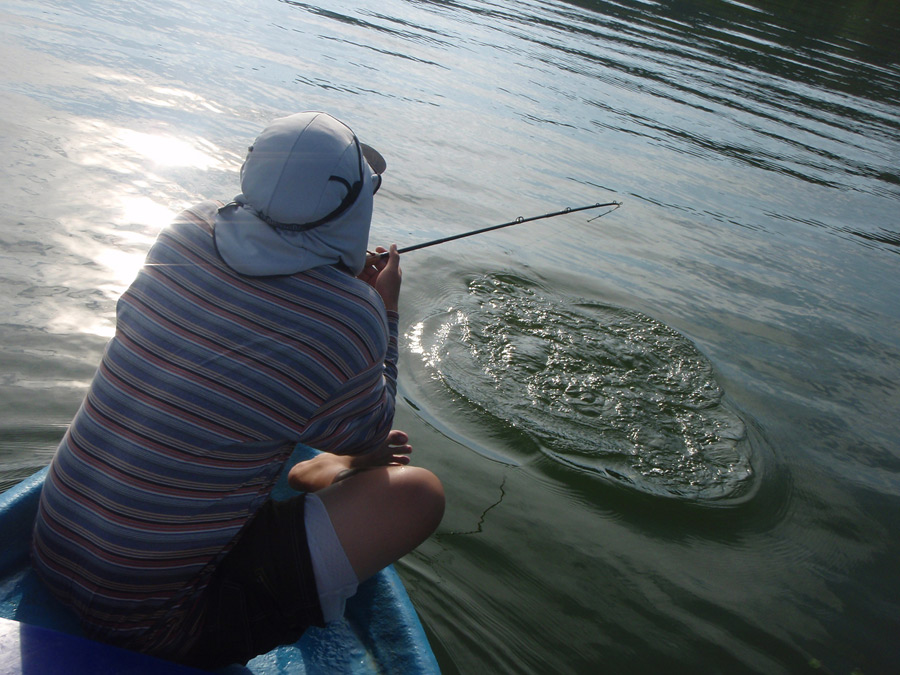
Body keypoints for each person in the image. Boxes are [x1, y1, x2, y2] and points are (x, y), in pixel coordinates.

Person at [30, 111, 445, 668]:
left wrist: (343, 294)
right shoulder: (351, 317)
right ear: (354, 206)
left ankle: (311, 473)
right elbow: (370, 426)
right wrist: (384, 311)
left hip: (50, 550)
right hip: (159, 625)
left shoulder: (185, 227)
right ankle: (317, 472)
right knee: (418, 496)